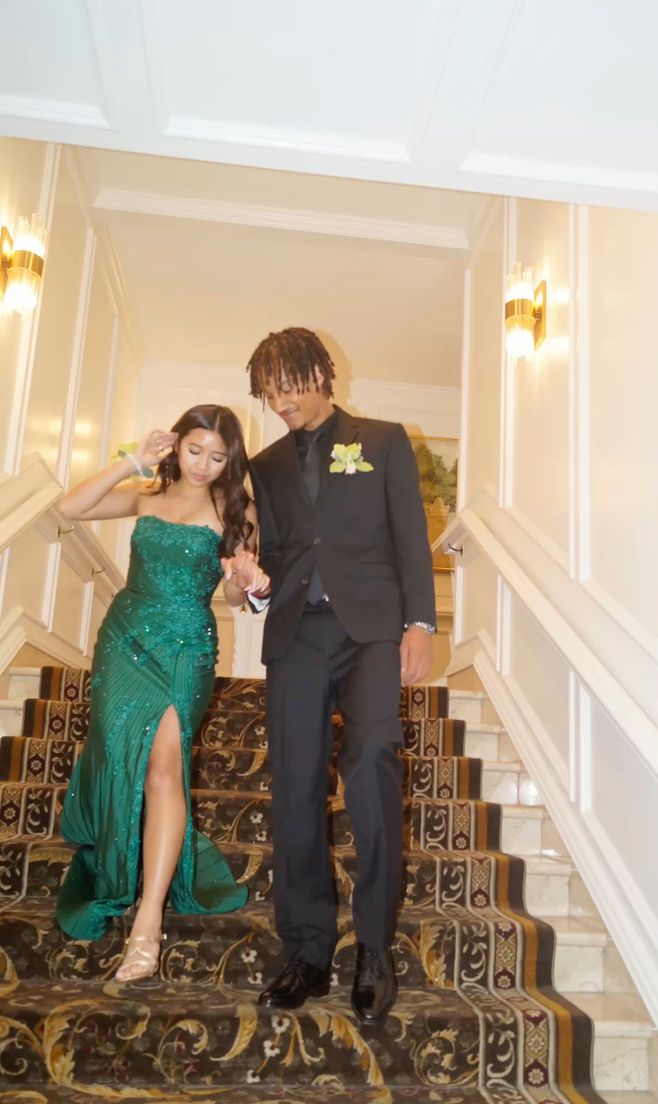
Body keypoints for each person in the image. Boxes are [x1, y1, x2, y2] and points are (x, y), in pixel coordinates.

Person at [223, 328, 435, 1023]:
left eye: (288, 386)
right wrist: (252, 588)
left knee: (372, 760)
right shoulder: (265, 465)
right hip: (298, 634)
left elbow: (409, 535)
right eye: (268, 393)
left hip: (371, 629)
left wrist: (420, 623)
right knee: (295, 783)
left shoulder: (383, 440)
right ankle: (308, 952)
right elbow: (274, 556)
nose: (279, 402)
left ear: (320, 373)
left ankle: (374, 947)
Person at [55, 404, 269, 981]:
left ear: (231, 461)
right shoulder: (147, 493)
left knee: (164, 768)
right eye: (194, 450)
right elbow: (69, 507)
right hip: (124, 639)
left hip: (185, 649)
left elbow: (235, 597)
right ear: (176, 445)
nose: (203, 465)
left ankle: (148, 920)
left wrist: (246, 580)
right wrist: (132, 460)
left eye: (217, 457)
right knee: (121, 758)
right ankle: (122, 861)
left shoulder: (238, 510)